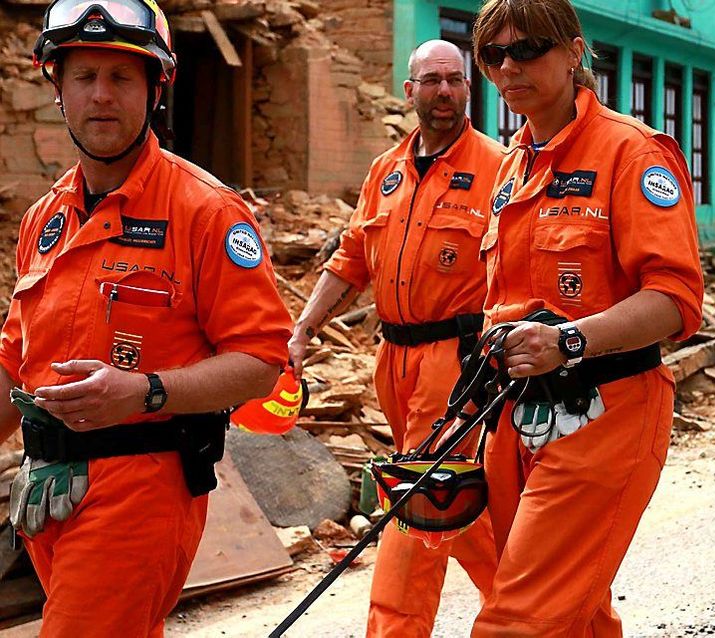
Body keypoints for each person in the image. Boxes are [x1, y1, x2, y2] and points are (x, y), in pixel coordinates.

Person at [0, 0, 292, 634]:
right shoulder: (44, 220)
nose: (101, 96)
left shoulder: (205, 212)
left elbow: (262, 364)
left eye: (122, 77)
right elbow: (13, 364)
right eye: (84, 76)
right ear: (58, 90)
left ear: (156, 88)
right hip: (46, 488)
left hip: (141, 491)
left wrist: (145, 391)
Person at [464, 1, 704, 635]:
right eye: (493, 55)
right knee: (574, 612)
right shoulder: (513, 168)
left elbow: (676, 300)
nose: (509, 66)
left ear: (574, 52)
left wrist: (569, 340)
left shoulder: (631, 154)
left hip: (607, 412)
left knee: (517, 617)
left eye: (529, 49)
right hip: (516, 417)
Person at [288, 40, 501, 638]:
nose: (442, 92)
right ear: (408, 91)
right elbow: (351, 259)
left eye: (454, 80)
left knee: (421, 501)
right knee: (458, 504)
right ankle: (552, 612)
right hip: (393, 361)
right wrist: (303, 329)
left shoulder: (498, 168)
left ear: (468, 89)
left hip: (457, 362)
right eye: (430, 80)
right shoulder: (386, 171)